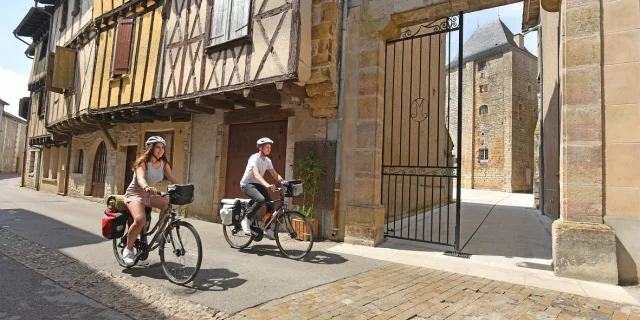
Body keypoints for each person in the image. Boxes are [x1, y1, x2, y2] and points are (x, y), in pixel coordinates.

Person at [122, 136, 179, 266]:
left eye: (163, 147)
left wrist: (182, 187)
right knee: (140, 220)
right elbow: (141, 178)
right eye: (158, 147)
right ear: (151, 148)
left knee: (166, 204)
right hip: (135, 193)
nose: (161, 150)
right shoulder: (142, 162)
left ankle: (160, 233)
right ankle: (128, 249)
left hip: (150, 193)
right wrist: (146, 187)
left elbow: (172, 178)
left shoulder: (164, 164)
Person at [240, 137, 284, 239]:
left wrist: (284, 182)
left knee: (271, 204)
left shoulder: (268, 160)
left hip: (257, 185)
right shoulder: (254, 158)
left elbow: (275, 174)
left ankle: (266, 227)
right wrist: (267, 185)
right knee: (260, 199)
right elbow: (256, 174)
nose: (269, 149)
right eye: (267, 147)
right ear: (260, 148)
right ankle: (246, 219)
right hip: (247, 184)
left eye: (270, 147)